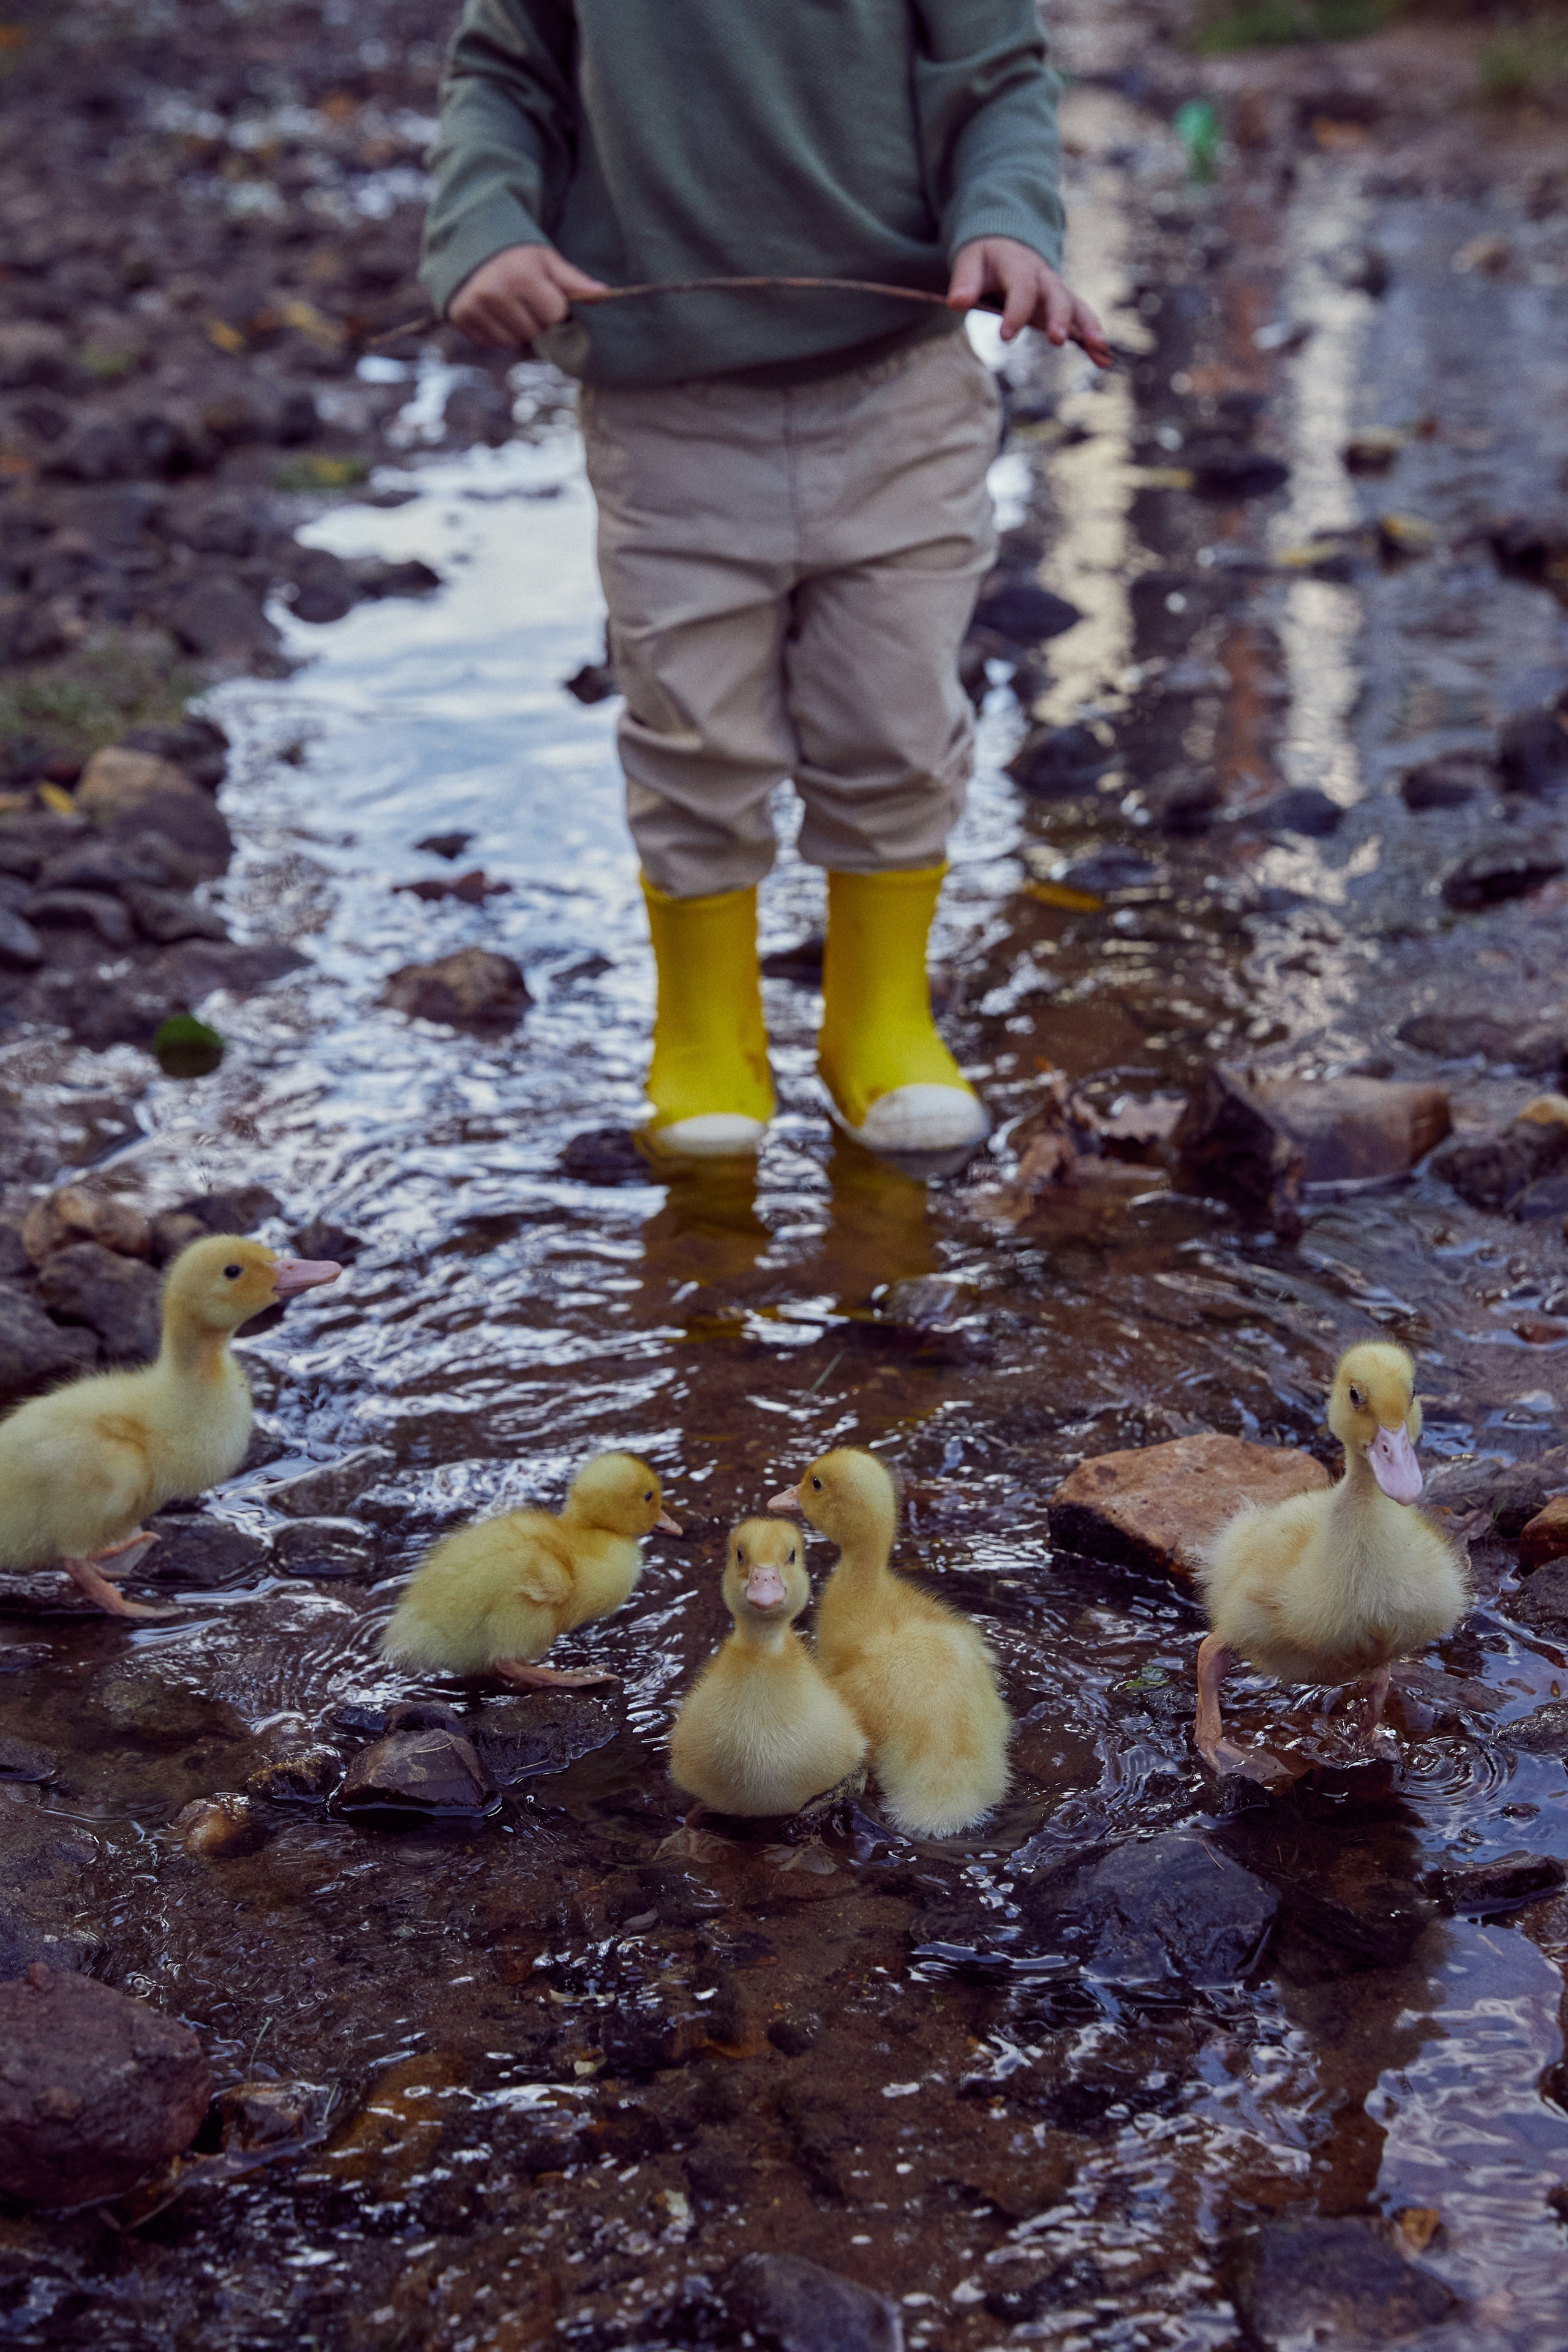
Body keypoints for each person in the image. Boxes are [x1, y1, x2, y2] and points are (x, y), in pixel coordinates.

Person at [421, 0, 1110, 1159]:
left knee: (895, 716)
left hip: (901, 389)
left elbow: (996, 79)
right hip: (665, 406)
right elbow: (506, 74)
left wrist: (1008, 222)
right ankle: (706, 1031)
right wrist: (483, 227)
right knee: (693, 726)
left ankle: (877, 1022)